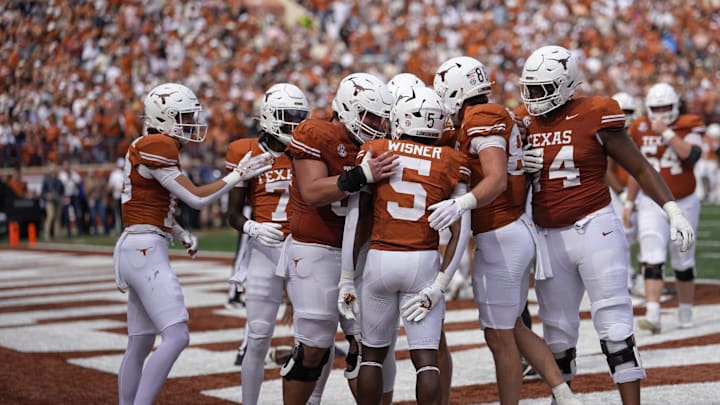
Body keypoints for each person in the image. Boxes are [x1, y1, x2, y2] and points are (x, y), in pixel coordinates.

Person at [515, 45, 694, 405]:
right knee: (558, 334)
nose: (533, 98)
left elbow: (640, 167)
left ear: (566, 85)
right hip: (548, 236)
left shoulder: (596, 112)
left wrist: (671, 209)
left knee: (615, 328)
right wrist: (515, 164)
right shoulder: (522, 122)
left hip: (595, 226)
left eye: (542, 89)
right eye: (529, 89)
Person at [429, 56, 581, 405]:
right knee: (512, 326)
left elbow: (496, 179)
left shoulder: (482, 118)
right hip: (508, 229)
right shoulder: (488, 117)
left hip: (501, 230)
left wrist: (462, 203)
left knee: (499, 336)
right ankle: (564, 393)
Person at [114, 82, 272, 405]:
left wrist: (179, 232)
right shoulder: (159, 144)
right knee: (176, 335)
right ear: (164, 117)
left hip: (137, 244)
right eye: (184, 117)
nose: (190, 125)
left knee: (141, 343)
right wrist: (237, 175)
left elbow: (147, 208)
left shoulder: (149, 144)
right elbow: (197, 199)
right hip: (145, 251)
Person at [338, 86, 470, 405]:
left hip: (381, 259)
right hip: (423, 262)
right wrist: (440, 285)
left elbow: (356, 218)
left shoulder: (379, 148)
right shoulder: (452, 159)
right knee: (426, 360)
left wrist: (345, 276)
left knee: (371, 355)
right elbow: (461, 230)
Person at [278, 72, 397, 405]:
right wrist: (360, 175)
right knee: (313, 347)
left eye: (381, 117)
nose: (377, 124)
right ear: (347, 107)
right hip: (315, 251)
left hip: (358, 256)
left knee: (368, 345)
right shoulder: (316, 132)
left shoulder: (376, 144)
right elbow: (313, 191)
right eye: (370, 115)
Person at [225, 83, 311, 405]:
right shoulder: (244, 151)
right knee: (258, 338)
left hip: (304, 252)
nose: (296, 124)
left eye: (301, 117)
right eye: (290, 117)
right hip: (263, 251)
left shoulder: (306, 151)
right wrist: (252, 227)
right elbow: (232, 213)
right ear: (272, 117)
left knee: (312, 340)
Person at [623, 82, 705, 334]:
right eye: (656, 107)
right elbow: (638, 169)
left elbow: (691, 155)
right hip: (651, 201)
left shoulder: (689, 122)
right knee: (652, 255)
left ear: (675, 106)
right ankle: (653, 314)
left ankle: (685, 310)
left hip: (684, 200)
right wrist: (629, 201)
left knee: (683, 259)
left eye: (666, 107)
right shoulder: (639, 127)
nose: (661, 111)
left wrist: (667, 133)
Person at [607, 92, 640, 293]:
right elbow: (606, 170)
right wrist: (621, 194)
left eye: (628, 112)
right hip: (619, 191)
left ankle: (644, 277)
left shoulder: (640, 132)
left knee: (646, 236)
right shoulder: (610, 134)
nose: (626, 116)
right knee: (623, 236)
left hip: (642, 191)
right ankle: (626, 279)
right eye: (622, 112)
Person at [694, 122, 720, 203]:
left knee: (714, 181)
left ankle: (713, 196)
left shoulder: (712, 141)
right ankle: (700, 195)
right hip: (703, 163)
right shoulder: (704, 139)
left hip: (711, 163)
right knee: (699, 177)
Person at [41, 164, 64, 240]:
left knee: (57, 217)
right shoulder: (47, 181)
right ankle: (46, 233)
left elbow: (62, 191)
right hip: (50, 201)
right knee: (50, 216)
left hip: (58, 201)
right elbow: (42, 193)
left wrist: (62, 198)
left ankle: (57, 234)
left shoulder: (59, 181)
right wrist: (47, 195)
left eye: (56, 172)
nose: (55, 173)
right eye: (53, 172)